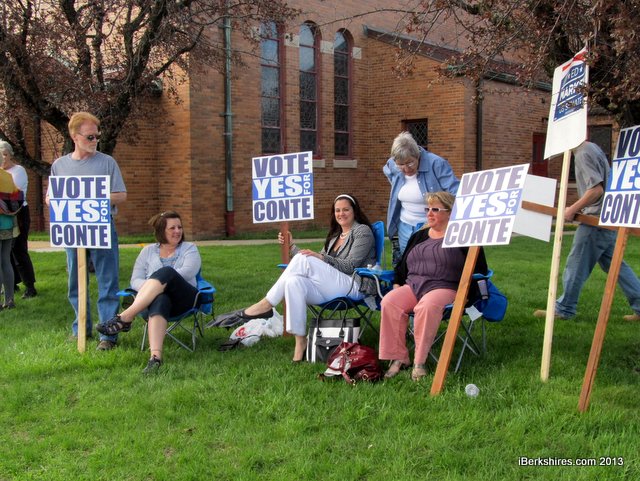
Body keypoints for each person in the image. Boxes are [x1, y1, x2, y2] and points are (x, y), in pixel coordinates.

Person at [214, 194, 377, 362]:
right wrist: (291, 246)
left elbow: (350, 266)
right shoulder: (335, 237)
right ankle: (300, 342)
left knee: (305, 259)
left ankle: (265, 304)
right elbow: (315, 262)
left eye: (345, 209)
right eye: (337, 210)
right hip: (333, 288)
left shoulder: (362, 231)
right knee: (293, 282)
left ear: (354, 211)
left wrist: (321, 257)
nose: (341, 213)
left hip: (353, 285)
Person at [378, 191, 488, 381]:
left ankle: (419, 362)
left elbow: (480, 269)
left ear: (450, 212)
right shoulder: (419, 235)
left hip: (445, 287)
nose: (429, 213)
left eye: (435, 209)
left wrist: (468, 295)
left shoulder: (464, 236)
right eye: (427, 209)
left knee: (426, 306)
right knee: (389, 302)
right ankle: (399, 357)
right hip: (414, 284)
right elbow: (402, 265)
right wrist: (397, 282)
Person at [46, 112, 127, 350]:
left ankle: (108, 335)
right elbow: (50, 197)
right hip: (72, 230)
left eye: (97, 136)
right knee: (75, 279)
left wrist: (92, 196)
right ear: (75, 136)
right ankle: (80, 328)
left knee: (107, 280)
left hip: (102, 227)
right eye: (90, 137)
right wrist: (55, 200)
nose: (95, 141)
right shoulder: (60, 165)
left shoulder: (107, 162)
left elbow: (121, 195)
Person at [533, 140, 640, 321]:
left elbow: (596, 190)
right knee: (617, 267)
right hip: (607, 217)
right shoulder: (591, 147)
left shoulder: (583, 153)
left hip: (596, 222)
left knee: (576, 264)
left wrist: (572, 209)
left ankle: (564, 308)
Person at [97, 211, 201, 373]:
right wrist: (154, 289)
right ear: (161, 231)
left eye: (179, 227)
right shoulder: (147, 251)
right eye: (172, 228)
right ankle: (155, 358)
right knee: (160, 299)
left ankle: (125, 317)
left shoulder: (190, 248)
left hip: (184, 300)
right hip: (151, 303)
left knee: (167, 272)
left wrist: (159, 282)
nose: (177, 231)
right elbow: (135, 280)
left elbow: (188, 272)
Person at [384, 131, 459, 264]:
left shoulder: (436, 164)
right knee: (407, 264)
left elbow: (455, 192)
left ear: (418, 155)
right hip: (405, 226)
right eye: (401, 165)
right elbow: (388, 169)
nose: (406, 169)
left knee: (431, 264)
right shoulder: (393, 164)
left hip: (431, 226)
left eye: (410, 163)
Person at [0, 141, 37, 298]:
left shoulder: (18, 171)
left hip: (19, 213)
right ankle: (11, 284)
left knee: (19, 249)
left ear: (10, 155)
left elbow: (13, 195)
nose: (3, 158)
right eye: (0, 155)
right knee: (5, 252)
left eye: (5, 154)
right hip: (3, 215)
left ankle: (30, 286)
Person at [0, 166, 22, 310]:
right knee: (6, 261)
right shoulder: (7, 176)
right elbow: (18, 197)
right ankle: (9, 300)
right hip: (8, 223)